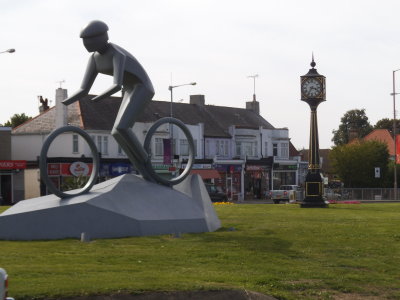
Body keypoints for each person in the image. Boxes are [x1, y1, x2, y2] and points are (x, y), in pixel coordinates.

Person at [63, 20, 155, 182]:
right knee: (115, 132)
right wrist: (65, 102)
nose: (86, 44)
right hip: (128, 88)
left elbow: (116, 84)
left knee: (123, 127)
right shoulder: (94, 58)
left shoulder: (116, 54)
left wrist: (98, 99)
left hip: (142, 87)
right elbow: (84, 89)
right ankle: (141, 167)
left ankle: (145, 159)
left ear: (102, 37)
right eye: (84, 40)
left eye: (89, 39)